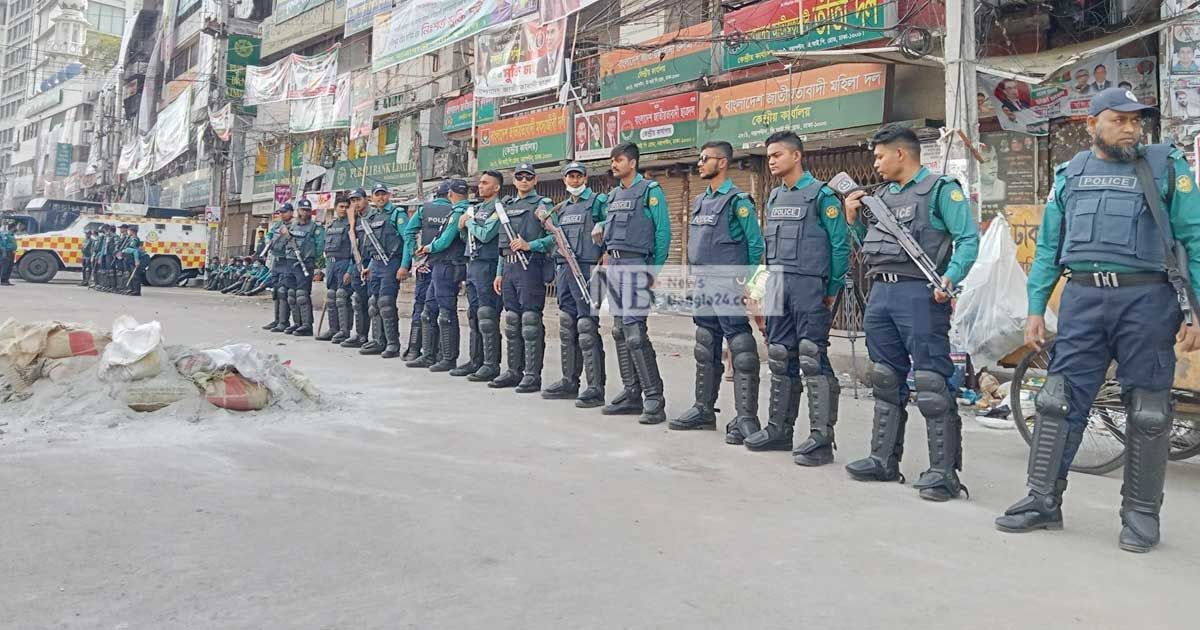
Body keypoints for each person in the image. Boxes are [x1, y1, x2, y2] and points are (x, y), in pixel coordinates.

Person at [995, 88, 1200, 553]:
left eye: (1136, 120)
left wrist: (1196, 308)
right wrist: (1035, 308)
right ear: (1091, 125)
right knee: (1056, 401)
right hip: (1083, 299)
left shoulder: (1165, 166)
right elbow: (1049, 247)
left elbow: (1194, 236)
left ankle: (1141, 515)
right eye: (1118, 119)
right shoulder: (1071, 175)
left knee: (1148, 411)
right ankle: (1042, 500)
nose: (1130, 127)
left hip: (1146, 301)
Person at [842, 123, 979, 502]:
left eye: (880, 155)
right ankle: (883, 459)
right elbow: (869, 248)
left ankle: (943, 473)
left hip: (921, 295)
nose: (876, 162)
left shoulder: (940, 190)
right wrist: (852, 220)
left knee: (933, 383)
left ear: (900, 153)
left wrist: (949, 280)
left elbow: (968, 239)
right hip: (881, 292)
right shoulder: (881, 197)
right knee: (885, 378)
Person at [742, 132, 849, 461]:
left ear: (797, 156)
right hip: (777, 284)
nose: (771, 160)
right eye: (769, 155)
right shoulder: (774, 197)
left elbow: (840, 247)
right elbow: (767, 249)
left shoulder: (822, 196)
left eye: (777, 154)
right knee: (778, 354)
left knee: (811, 357)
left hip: (808, 286)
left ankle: (821, 438)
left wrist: (831, 291)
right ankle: (779, 429)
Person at [668, 142, 763, 439]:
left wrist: (748, 284)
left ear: (722, 163)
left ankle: (746, 418)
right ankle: (703, 409)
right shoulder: (699, 201)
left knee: (740, 346)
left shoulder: (738, 201)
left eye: (704, 159)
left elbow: (756, 245)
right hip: (703, 282)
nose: (699, 163)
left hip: (728, 282)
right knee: (705, 343)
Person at [600, 142, 672, 424]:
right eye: (612, 160)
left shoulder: (650, 191)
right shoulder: (613, 194)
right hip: (615, 265)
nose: (614, 164)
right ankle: (631, 393)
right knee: (619, 330)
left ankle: (654, 398)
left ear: (633, 163)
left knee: (635, 332)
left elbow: (663, 233)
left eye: (619, 160)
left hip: (636, 264)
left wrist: (653, 271)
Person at [541, 162, 608, 407]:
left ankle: (595, 388)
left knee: (587, 326)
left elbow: (611, 223)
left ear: (585, 179)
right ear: (564, 180)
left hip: (590, 269)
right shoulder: (563, 208)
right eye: (571, 176)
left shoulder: (598, 202)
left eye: (579, 176)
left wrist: (603, 228)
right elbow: (552, 237)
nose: (575, 180)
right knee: (567, 324)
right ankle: (569, 381)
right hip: (565, 270)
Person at [489, 163, 555, 393]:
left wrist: (531, 245)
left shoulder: (542, 205)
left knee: (530, 323)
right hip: (508, 269)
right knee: (512, 322)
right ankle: (513, 371)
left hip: (530, 269)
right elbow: (503, 244)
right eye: (520, 177)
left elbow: (554, 238)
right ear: (514, 181)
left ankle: (532, 375)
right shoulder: (507, 206)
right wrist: (499, 273)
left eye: (529, 177)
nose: (524, 180)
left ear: (535, 180)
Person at [405, 179, 470, 370]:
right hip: (439, 264)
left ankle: (448, 358)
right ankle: (429, 355)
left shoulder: (459, 212)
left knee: (446, 312)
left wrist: (424, 250)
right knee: (429, 310)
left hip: (447, 264)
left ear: (450, 194)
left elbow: (444, 241)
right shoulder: (456, 210)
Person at [460, 170, 506, 382]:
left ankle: (491, 364)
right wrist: (466, 224)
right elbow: (465, 235)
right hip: (472, 264)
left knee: (488, 316)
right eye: (480, 182)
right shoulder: (477, 208)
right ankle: (475, 359)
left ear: (496, 187)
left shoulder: (498, 208)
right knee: (474, 314)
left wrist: (468, 222)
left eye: (485, 183)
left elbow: (486, 234)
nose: (480, 186)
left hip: (488, 265)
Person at [359, 184, 409, 357]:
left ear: (388, 195)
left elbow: (408, 241)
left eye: (383, 194)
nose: (380, 198)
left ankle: (393, 344)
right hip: (376, 265)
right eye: (377, 195)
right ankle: (379, 340)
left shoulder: (397, 214)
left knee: (386, 304)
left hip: (392, 263)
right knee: (374, 303)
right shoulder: (372, 217)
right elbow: (373, 246)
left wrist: (404, 266)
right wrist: (369, 267)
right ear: (372, 197)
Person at [283, 199, 324, 336]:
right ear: (298, 210)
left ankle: (307, 325)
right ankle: (297, 323)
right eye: (302, 210)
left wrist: (317, 264)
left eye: (307, 210)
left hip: (305, 263)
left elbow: (319, 246)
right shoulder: (292, 226)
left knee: (302, 295)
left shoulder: (315, 227)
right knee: (291, 295)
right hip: (290, 261)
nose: (305, 213)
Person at [317, 195, 354, 344]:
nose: (344, 210)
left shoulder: (351, 225)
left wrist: (350, 270)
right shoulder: (331, 225)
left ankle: (344, 331)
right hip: (331, 265)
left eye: (346, 207)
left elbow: (355, 250)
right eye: (341, 207)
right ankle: (333, 329)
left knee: (342, 297)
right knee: (331, 296)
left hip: (344, 263)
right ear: (336, 207)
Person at [341, 189, 373, 349]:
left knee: (375, 303)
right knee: (359, 301)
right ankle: (361, 335)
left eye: (358, 199)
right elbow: (351, 247)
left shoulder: (372, 216)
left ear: (366, 199)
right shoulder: (354, 220)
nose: (356, 203)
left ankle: (378, 339)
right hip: (357, 263)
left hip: (373, 262)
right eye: (352, 201)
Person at [264, 204, 295, 332]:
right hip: (276, 260)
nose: (282, 214)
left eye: (284, 212)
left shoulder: (294, 225)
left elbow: (294, 241)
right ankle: (277, 320)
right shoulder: (277, 225)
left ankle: (284, 322)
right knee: (276, 291)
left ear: (291, 212)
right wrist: (268, 241)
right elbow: (269, 235)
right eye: (280, 212)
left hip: (287, 260)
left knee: (283, 291)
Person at [123, 225, 145, 296]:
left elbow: (134, 250)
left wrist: (136, 260)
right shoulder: (130, 238)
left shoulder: (135, 239)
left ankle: (137, 291)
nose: (128, 232)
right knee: (131, 275)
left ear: (132, 231)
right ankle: (132, 289)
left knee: (135, 276)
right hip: (130, 259)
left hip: (134, 259)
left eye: (129, 230)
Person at [0, 220, 17, 286]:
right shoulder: (6, 235)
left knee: (10, 266)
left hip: (12, 252)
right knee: (5, 266)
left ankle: (6, 280)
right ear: (12, 228)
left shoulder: (12, 235)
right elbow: (3, 244)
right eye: (15, 227)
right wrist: (4, 251)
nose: (16, 229)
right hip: (7, 252)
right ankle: (3, 280)